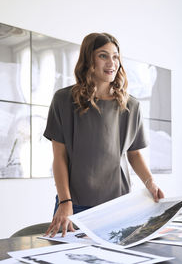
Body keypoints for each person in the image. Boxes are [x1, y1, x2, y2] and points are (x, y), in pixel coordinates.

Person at [43, 33, 164, 237]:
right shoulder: (63, 100)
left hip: (118, 207)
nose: (112, 63)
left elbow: (134, 154)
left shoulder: (131, 106)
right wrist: (65, 202)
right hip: (74, 205)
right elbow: (59, 157)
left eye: (115, 57)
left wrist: (150, 183)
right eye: (103, 56)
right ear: (88, 59)